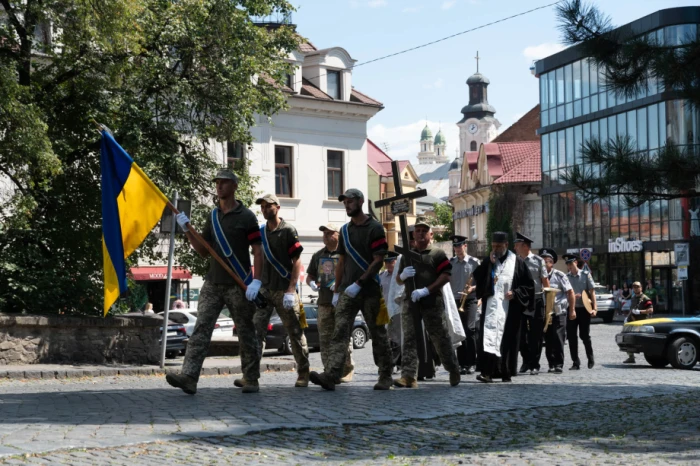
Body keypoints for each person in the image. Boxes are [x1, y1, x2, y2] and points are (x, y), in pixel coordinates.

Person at [167, 169, 263, 394]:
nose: (219, 186)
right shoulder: (212, 217)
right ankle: (189, 377)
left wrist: (256, 281)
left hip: (238, 283)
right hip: (213, 282)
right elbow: (203, 250)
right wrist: (187, 230)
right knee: (201, 328)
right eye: (217, 182)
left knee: (246, 330)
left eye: (224, 182)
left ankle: (251, 378)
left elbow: (258, 251)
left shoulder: (247, 217)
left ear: (234, 186)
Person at [309, 189, 393, 391]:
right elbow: (342, 262)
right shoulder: (345, 231)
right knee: (339, 331)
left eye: (350, 201)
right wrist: (337, 290)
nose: (347, 205)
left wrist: (360, 283)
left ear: (361, 202)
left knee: (377, 332)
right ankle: (332, 374)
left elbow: (378, 260)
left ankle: (385, 375)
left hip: (369, 289)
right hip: (347, 290)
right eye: (344, 202)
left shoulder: (375, 228)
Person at [394, 218, 461, 388]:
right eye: (418, 230)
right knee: (409, 338)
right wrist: (402, 276)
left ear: (431, 234)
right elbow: (398, 279)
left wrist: (426, 290)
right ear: (413, 233)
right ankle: (408, 376)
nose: (421, 233)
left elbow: (446, 276)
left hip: (432, 301)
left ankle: (453, 369)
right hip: (411, 302)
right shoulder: (407, 255)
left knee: (440, 337)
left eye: (424, 231)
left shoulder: (437, 254)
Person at [252, 193, 309, 388]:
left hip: (284, 290)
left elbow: (297, 261)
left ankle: (303, 373)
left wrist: (291, 290)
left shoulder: (288, 230)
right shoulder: (260, 232)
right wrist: (256, 282)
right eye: (262, 207)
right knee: (255, 331)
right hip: (266, 290)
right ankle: (251, 376)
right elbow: (258, 257)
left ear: (277, 207)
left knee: (294, 332)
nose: (265, 209)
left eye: (269, 206)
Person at [472, 231, 534, 383]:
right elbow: (477, 277)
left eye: (498, 246)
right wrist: (489, 263)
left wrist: (516, 292)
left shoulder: (517, 262)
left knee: (506, 341)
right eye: (493, 246)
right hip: (491, 309)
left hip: (510, 310)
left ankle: (505, 371)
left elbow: (529, 286)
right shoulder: (489, 261)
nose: (495, 249)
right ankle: (487, 373)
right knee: (489, 338)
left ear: (506, 245)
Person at [306, 223, 354, 383]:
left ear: (338, 236)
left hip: (342, 301)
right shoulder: (318, 255)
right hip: (324, 302)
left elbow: (352, 275)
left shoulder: (346, 254)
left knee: (341, 336)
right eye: (324, 233)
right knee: (325, 338)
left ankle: (346, 369)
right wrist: (311, 283)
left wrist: (341, 284)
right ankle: (328, 371)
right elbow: (310, 276)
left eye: (329, 233)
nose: (325, 236)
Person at [514, 232, 549, 376]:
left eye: (517, 245)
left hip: (536, 299)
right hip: (520, 300)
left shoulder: (538, 261)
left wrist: (548, 306)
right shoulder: (514, 261)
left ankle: (535, 364)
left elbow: (545, 282)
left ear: (525, 246)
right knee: (520, 335)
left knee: (536, 335)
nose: (515, 247)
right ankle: (526, 360)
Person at [539, 248, 575, 373]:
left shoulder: (560, 275)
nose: (543, 264)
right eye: (541, 261)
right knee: (548, 339)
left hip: (559, 311)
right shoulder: (538, 277)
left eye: (545, 262)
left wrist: (572, 310)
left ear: (551, 263)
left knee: (558, 338)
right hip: (544, 312)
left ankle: (559, 363)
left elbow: (570, 292)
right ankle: (551, 363)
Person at [449, 234, 481, 375]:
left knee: (470, 329)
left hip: (470, 299)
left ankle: (472, 362)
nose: (457, 248)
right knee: (459, 331)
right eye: (455, 246)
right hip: (455, 300)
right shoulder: (450, 263)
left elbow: (482, 281)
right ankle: (462, 363)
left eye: (460, 245)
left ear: (465, 246)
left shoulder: (475, 262)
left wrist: (472, 288)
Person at [563, 254, 597, 370]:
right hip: (571, 309)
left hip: (584, 309)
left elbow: (592, 292)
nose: (570, 267)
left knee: (584, 335)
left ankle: (590, 357)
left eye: (571, 264)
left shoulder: (586, 275)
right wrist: (571, 297)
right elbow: (564, 294)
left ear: (576, 263)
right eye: (568, 265)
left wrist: (594, 308)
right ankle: (575, 362)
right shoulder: (566, 277)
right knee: (572, 337)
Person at [379, 251, 402, 373]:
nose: (388, 264)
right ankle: (393, 363)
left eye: (391, 262)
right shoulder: (382, 276)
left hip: (398, 310)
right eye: (386, 262)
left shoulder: (399, 276)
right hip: (385, 310)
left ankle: (396, 363)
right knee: (389, 338)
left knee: (397, 338)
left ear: (395, 262)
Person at [623, 281, 654, 364]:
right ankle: (631, 357)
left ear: (641, 288)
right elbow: (631, 309)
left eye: (637, 287)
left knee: (645, 342)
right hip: (633, 321)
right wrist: (627, 317)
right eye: (634, 287)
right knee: (628, 339)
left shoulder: (645, 298)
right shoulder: (633, 298)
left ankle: (652, 357)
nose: (636, 289)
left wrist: (640, 312)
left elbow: (651, 310)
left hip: (643, 323)